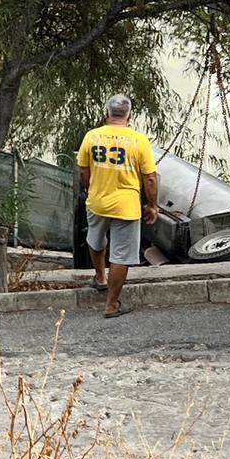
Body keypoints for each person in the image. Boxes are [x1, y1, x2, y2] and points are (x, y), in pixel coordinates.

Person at [77, 94, 158, 319]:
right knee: (121, 256)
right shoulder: (139, 141)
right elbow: (150, 178)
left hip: (97, 201)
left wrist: (89, 189)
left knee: (95, 239)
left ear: (107, 114)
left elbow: (83, 171)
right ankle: (111, 305)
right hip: (126, 206)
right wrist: (152, 205)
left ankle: (100, 277)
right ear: (130, 115)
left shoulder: (91, 137)